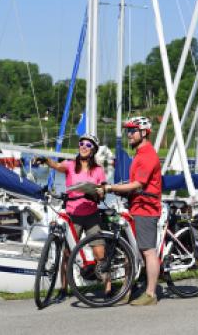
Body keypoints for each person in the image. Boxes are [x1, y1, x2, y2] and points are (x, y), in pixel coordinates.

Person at [97, 116, 162, 306]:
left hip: (146, 209)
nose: (129, 135)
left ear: (144, 132)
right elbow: (134, 184)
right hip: (136, 206)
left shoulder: (148, 155)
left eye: (132, 131)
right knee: (132, 252)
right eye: (128, 131)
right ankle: (129, 289)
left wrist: (110, 188)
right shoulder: (140, 154)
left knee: (148, 251)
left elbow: (138, 184)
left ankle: (151, 294)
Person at [36, 134, 106, 302]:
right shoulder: (70, 165)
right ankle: (63, 289)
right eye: (82, 143)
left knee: (99, 253)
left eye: (88, 145)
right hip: (73, 215)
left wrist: (99, 192)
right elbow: (56, 165)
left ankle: (107, 286)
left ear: (93, 150)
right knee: (67, 254)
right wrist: (45, 159)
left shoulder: (98, 170)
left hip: (91, 215)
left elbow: (103, 190)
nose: (83, 146)